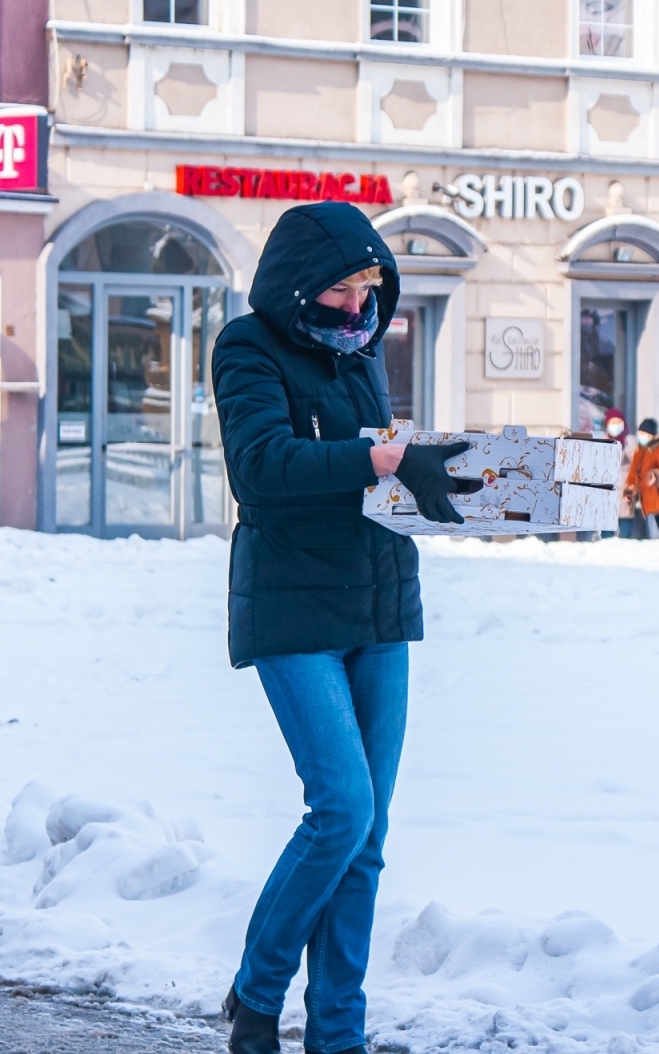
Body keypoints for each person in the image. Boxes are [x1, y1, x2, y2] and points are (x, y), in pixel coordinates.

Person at [210, 201, 469, 1054]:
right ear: (299, 285)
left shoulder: (360, 352)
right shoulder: (247, 346)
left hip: (379, 603)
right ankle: (257, 992)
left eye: (369, 289)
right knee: (341, 809)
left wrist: (437, 474)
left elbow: (377, 462)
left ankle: (338, 1035)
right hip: (292, 605)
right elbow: (262, 465)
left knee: (368, 838)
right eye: (343, 288)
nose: (359, 307)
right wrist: (382, 458)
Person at [624, 417, 659, 539]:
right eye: (640, 433)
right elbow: (633, 471)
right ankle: (642, 542)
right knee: (639, 521)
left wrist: (656, 476)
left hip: (657, 491)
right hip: (641, 493)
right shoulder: (639, 449)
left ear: (651, 435)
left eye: (644, 434)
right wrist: (629, 489)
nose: (641, 436)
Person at [603, 408, 636, 539]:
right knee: (607, 531)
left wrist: (631, 490)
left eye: (618, 422)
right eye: (613, 422)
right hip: (608, 492)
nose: (616, 425)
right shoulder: (602, 441)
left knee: (626, 527)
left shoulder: (630, 442)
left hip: (626, 490)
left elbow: (636, 468)